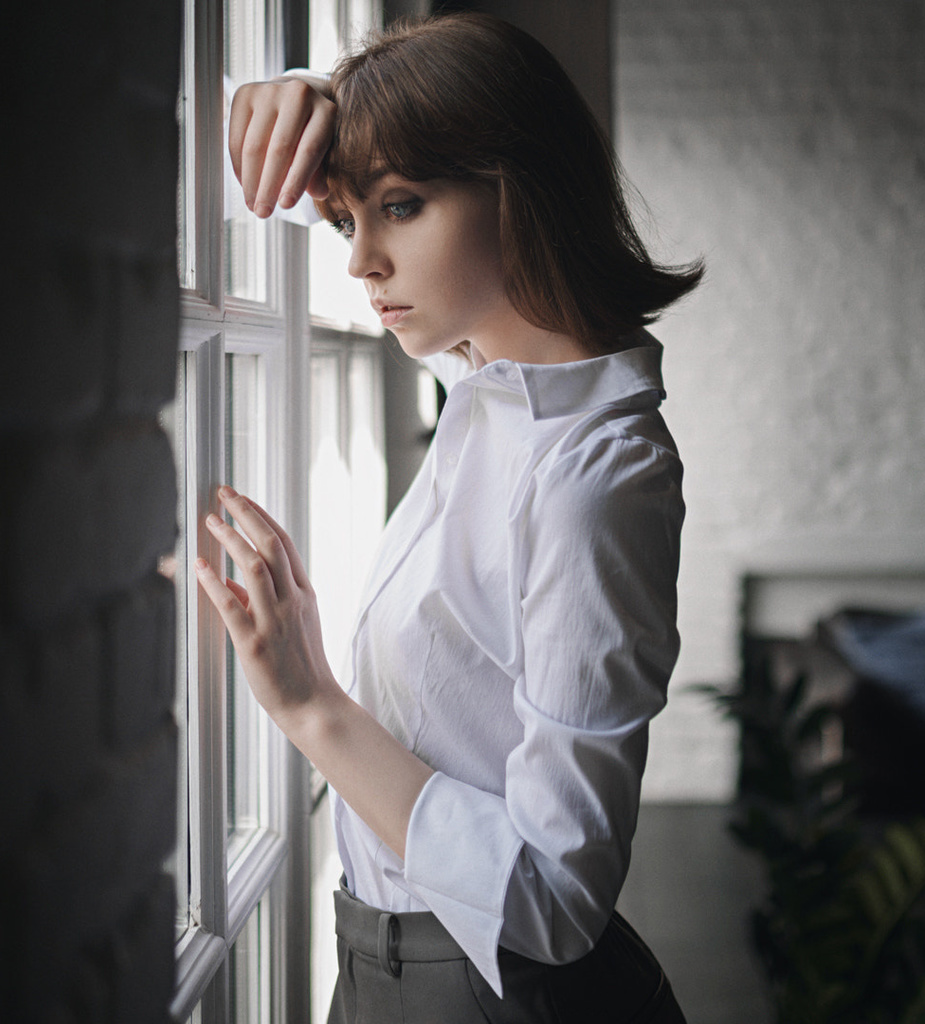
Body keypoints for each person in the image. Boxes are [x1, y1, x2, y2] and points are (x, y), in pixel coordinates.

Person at [195, 12, 702, 1023]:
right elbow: (289, 183)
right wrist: (285, 96)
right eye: (350, 221)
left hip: (483, 990)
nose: (360, 262)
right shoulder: (488, 376)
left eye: (400, 208)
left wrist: (309, 703)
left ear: (521, 188)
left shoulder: (591, 474)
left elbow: (558, 900)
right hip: (381, 967)